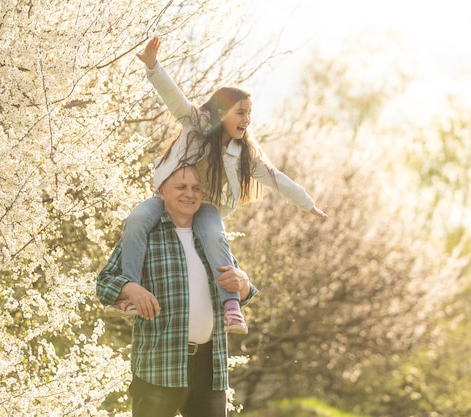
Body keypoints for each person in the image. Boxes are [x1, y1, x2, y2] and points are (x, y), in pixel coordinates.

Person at [105, 36, 327, 334]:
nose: (247, 119)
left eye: (249, 113)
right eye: (241, 112)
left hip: (205, 206)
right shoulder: (196, 126)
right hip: (170, 198)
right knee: (136, 220)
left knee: (214, 237)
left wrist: (307, 203)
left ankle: (232, 308)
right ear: (222, 113)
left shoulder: (244, 153)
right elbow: (175, 98)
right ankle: (128, 292)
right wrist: (153, 66)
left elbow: (276, 178)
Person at [97, 165, 257, 417]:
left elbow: (241, 292)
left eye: (196, 188)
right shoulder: (144, 234)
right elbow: (104, 282)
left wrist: (244, 281)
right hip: (159, 366)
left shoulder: (210, 236)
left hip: (210, 368)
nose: (189, 194)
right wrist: (130, 288)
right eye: (181, 187)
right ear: (161, 191)